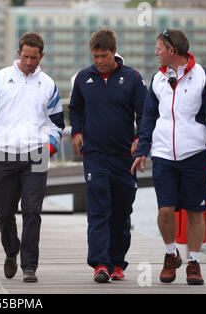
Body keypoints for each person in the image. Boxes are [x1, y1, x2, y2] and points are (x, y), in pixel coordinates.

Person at [132, 29, 206, 286]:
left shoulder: (205, 77)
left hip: (195, 153)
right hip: (163, 155)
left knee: (195, 211)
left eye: (159, 47)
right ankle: (171, 254)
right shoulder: (157, 80)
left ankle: (194, 261)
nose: (155, 52)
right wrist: (142, 151)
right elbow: (148, 117)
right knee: (165, 210)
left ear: (172, 50)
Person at [0, 32, 64, 283]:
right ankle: (11, 249)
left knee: (32, 211)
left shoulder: (48, 84)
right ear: (19, 53)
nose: (28, 62)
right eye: (25, 56)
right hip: (4, 153)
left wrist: (50, 148)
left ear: (41, 56)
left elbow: (57, 123)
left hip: (37, 154)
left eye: (33, 58)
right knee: (4, 213)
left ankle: (29, 266)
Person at [69, 28, 147, 283]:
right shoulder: (83, 78)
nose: (99, 61)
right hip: (95, 155)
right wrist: (77, 132)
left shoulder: (133, 78)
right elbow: (76, 109)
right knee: (99, 209)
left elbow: (144, 114)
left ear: (114, 52)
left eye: (103, 56)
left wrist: (139, 139)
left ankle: (117, 262)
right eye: (95, 56)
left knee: (121, 211)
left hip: (125, 156)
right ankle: (100, 263)